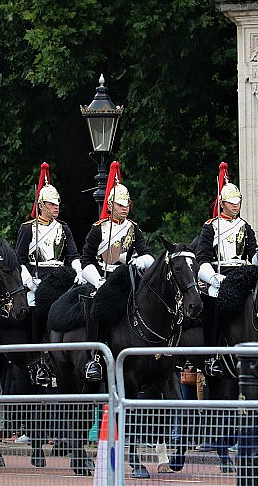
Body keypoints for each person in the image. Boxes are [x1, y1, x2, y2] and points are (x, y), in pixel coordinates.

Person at [80, 161, 153, 381]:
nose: (125, 208)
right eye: (120, 205)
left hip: (126, 278)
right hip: (103, 277)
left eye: (126, 205)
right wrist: (98, 281)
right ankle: (95, 357)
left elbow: (147, 253)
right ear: (110, 205)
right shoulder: (98, 229)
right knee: (96, 306)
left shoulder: (134, 228)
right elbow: (85, 259)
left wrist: (140, 262)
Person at [15, 163, 83, 385]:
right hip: (37, 278)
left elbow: (73, 254)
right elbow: (19, 259)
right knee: (33, 309)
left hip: (61, 277)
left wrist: (79, 270)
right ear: (41, 205)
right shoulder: (27, 228)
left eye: (57, 203)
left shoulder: (64, 228)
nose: (56, 207)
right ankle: (36, 360)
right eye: (52, 204)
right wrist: (27, 280)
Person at [196, 162, 258, 376]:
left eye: (237, 202)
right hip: (220, 275)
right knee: (214, 308)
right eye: (231, 202)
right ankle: (213, 356)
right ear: (222, 203)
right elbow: (202, 258)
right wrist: (213, 277)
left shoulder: (245, 226)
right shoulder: (210, 227)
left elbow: (251, 251)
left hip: (243, 274)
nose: (235, 206)